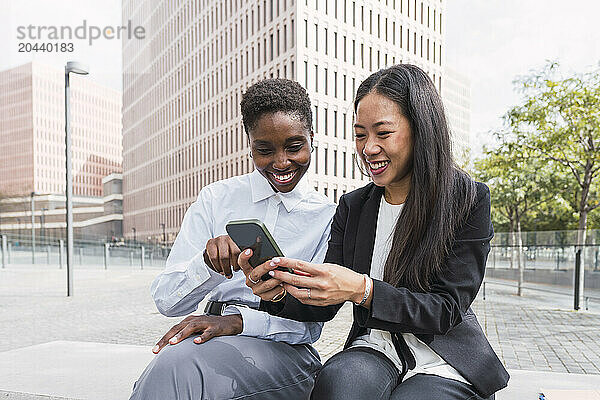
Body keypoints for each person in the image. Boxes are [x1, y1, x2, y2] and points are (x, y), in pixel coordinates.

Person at [239, 64, 510, 400]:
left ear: (420, 130)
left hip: (444, 358)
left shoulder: (467, 199)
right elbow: (324, 306)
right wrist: (278, 292)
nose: (368, 148)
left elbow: (445, 309)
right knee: (338, 384)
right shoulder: (353, 206)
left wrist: (363, 289)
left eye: (383, 133)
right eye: (360, 134)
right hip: (375, 348)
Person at [129, 78, 337, 400]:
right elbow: (167, 301)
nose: (281, 162)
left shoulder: (328, 217)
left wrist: (238, 322)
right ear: (249, 145)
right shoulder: (215, 198)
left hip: (285, 351)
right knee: (174, 368)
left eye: (294, 147)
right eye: (264, 151)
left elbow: (311, 324)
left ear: (313, 138)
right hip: (206, 335)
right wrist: (208, 265)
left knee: (178, 371)